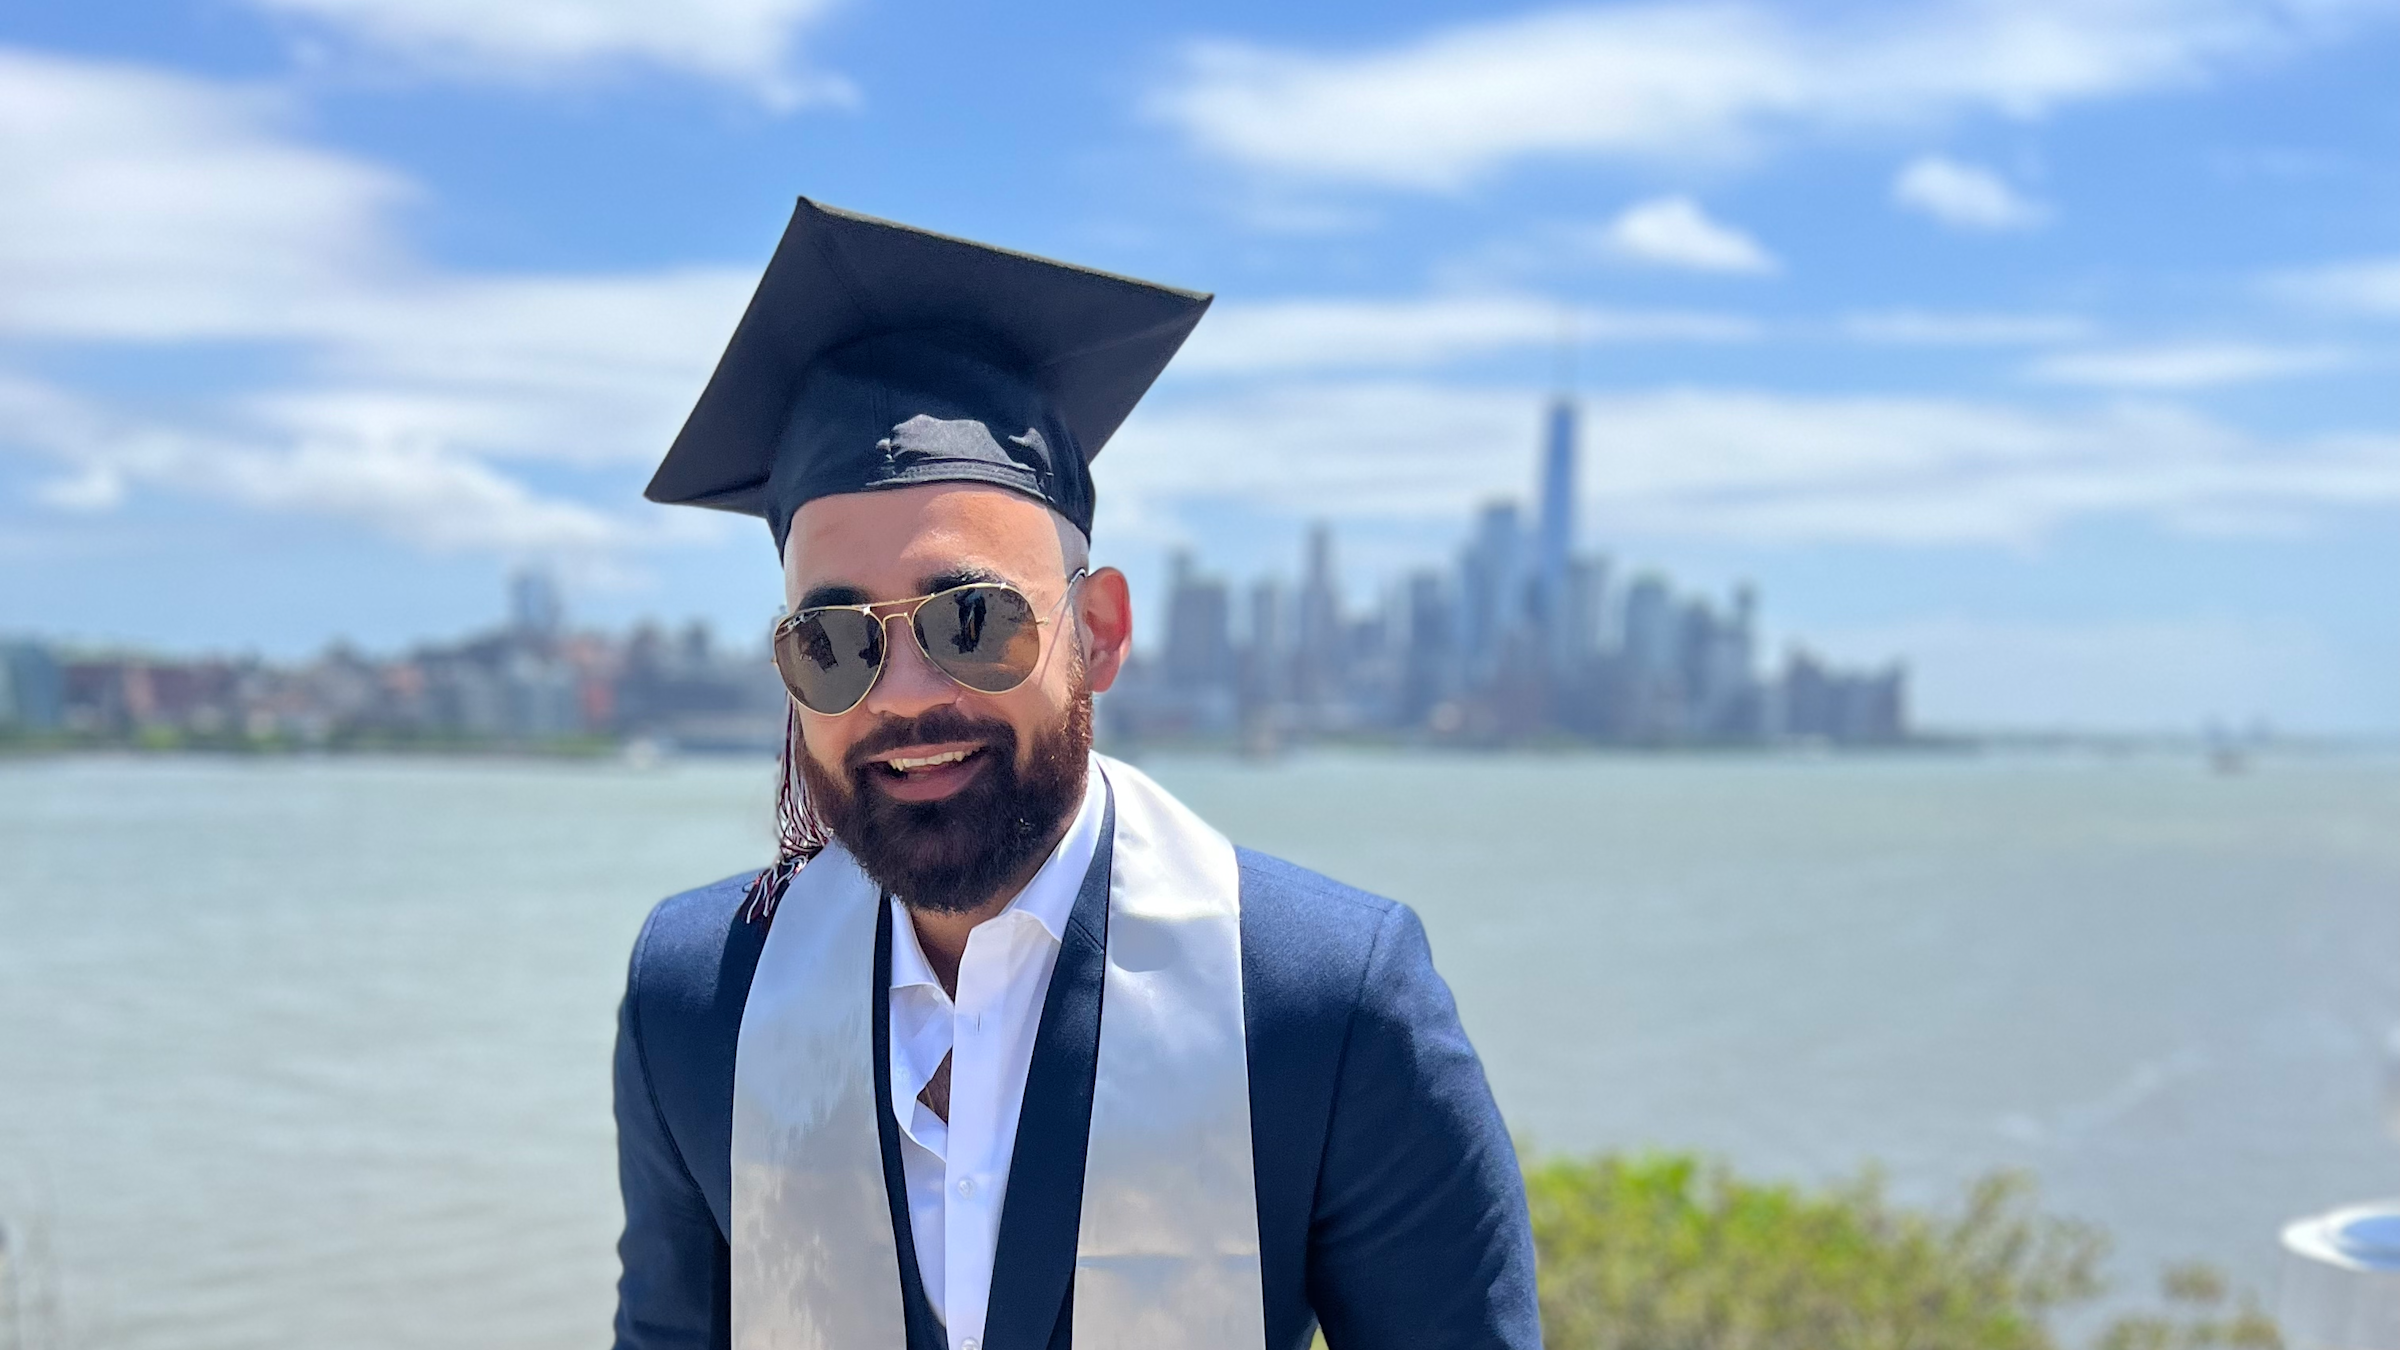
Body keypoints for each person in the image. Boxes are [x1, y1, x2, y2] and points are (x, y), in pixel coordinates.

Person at [612, 198, 1539, 1350]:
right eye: (836, 641)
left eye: (969, 621)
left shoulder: (1323, 1004)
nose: (901, 697)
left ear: (1096, 630)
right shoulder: (699, 1001)